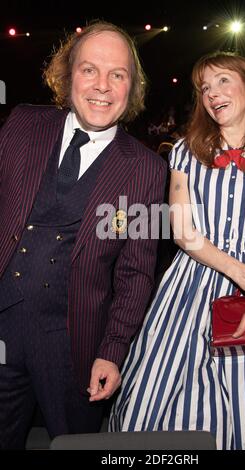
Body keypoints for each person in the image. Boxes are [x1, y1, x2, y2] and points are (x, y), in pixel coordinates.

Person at [109, 52, 245, 450]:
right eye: (204, 88)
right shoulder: (184, 152)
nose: (212, 94)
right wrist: (240, 273)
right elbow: (182, 232)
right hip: (194, 277)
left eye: (223, 81)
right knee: (164, 397)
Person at [0, 21, 166, 449]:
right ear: (67, 74)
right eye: (89, 69)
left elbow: (137, 273)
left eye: (118, 74)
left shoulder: (148, 169)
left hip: (73, 345)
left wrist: (112, 349)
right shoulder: (21, 125)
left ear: (133, 87)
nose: (103, 86)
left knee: (76, 444)